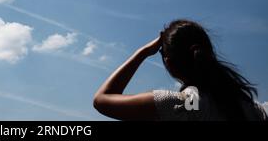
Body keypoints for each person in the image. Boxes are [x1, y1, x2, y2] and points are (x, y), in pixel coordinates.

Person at [93, 19, 267, 121]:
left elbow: (101, 100)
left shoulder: (179, 104)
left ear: (169, 62)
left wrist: (142, 53)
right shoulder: (253, 109)